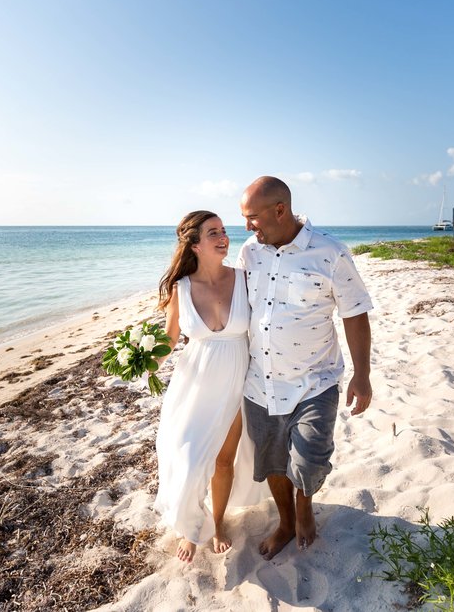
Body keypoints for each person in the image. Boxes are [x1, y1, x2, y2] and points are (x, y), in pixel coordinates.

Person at [237, 176, 373, 559]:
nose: (247, 227)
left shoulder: (330, 252)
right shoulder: (250, 251)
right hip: (259, 383)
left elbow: (355, 314)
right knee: (273, 461)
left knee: (310, 458)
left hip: (316, 380)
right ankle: (285, 521)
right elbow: (236, 305)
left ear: (279, 210)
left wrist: (362, 376)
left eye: (252, 217)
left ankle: (304, 505)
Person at [153, 210, 265, 563]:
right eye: (212, 232)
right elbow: (170, 340)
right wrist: (142, 362)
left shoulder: (245, 279)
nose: (223, 237)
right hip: (195, 384)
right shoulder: (180, 288)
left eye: (223, 231)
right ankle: (188, 526)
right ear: (195, 244)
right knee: (186, 457)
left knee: (222, 461)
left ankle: (216, 524)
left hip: (235, 382)